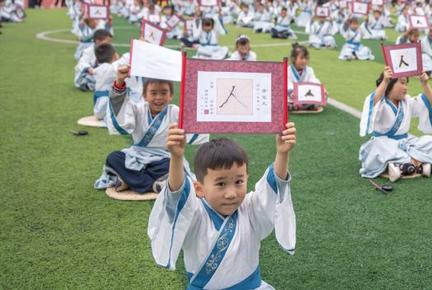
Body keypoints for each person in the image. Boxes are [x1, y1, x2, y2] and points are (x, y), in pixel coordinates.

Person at [147, 123, 297, 289]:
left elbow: (272, 188)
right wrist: (176, 158)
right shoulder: (195, 214)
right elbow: (175, 198)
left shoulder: (249, 208)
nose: (231, 193)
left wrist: (282, 153)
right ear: (199, 188)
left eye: (239, 182)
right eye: (221, 184)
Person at [95, 65, 206, 193]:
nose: (158, 97)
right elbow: (121, 112)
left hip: (163, 158)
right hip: (136, 156)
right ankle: (154, 184)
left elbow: (193, 125)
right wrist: (120, 82)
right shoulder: (137, 109)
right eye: (153, 93)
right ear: (144, 95)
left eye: (164, 93)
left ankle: (130, 180)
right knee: (114, 157)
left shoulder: (175, 112)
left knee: (172, 165)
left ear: (171, 96)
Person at [359, 67, 432, 182]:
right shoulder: (381, 103)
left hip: (406, 141)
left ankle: (402, 166)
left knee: (430, 141)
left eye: (407, 84)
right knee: (378, 146)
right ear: (389, 84)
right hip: (385, 143)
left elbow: (431, 102)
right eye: (403, 83)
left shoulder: (407, 101)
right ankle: (418, 164)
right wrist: (385, 80)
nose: (406, 87)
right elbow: (372, 101)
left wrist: (425, 83)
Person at [287, 43, 322, 110]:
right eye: (302, 58)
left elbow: (313, 80)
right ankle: (291, 105)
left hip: (305, 96)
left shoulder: (309, 70)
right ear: (294, 59)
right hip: (292, 96)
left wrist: (319, 89)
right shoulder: (288, 70)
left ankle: (303, 105)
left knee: (319, 94)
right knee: (284, 98)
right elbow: (287, 84)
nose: (304, 61)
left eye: (306, 58)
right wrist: (292, 92)